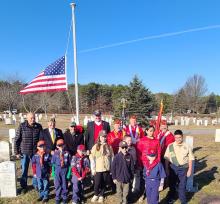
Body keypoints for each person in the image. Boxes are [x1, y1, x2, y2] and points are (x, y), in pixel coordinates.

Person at [14, 112, 42, 193]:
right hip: (24, 152)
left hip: (35, 152)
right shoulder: (22, 126)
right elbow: (17, 140)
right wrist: (17, 152)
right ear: (27, 118)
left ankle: (35, 184)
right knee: (24, 170)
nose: (33, 119)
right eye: (31, 118)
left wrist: (40, 150)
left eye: (34, 118)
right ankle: (24, 186)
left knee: (36, 169)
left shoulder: (38, 126)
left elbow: (41, 139)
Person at [164, 129, 195, 204]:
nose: (178, 139)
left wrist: (190, 170)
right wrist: (166, 169)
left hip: (183, 168)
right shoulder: (170, 146)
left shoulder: (187, 146)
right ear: (174, 137)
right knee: (172, 184)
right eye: (176, 137)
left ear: (182, 137)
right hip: (173, 168)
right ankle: (172, 197)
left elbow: (190, 158)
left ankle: (183, 200)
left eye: (179, 137)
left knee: (182, 185)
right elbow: (166, 158)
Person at [89, 130, 114, 203]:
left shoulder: (109, 146)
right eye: (102, 137)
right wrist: (93, 169)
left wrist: (111, 168)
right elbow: (92, 158)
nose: (104, 138)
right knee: (97, 183)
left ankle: (101, 195)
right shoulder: (95, 146)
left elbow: (112, 158)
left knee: (104, 182)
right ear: (99, 137)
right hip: (98, 169)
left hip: (106, 168)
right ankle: (96, 194)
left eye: (105, 137)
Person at [51, 139, 71, 204]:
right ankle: (57, 197)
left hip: (65, 170)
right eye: (59, 145)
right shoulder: (55, 153)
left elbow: (70, 164)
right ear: (57, 146)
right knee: (57, 184)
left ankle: (64, 197)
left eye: (62, 145)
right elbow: (53, 164)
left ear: (64, 145)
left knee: (64, 184)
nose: (61, 146)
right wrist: (53, 172)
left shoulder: (67, 153)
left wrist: (69, 173)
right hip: (57, 170)